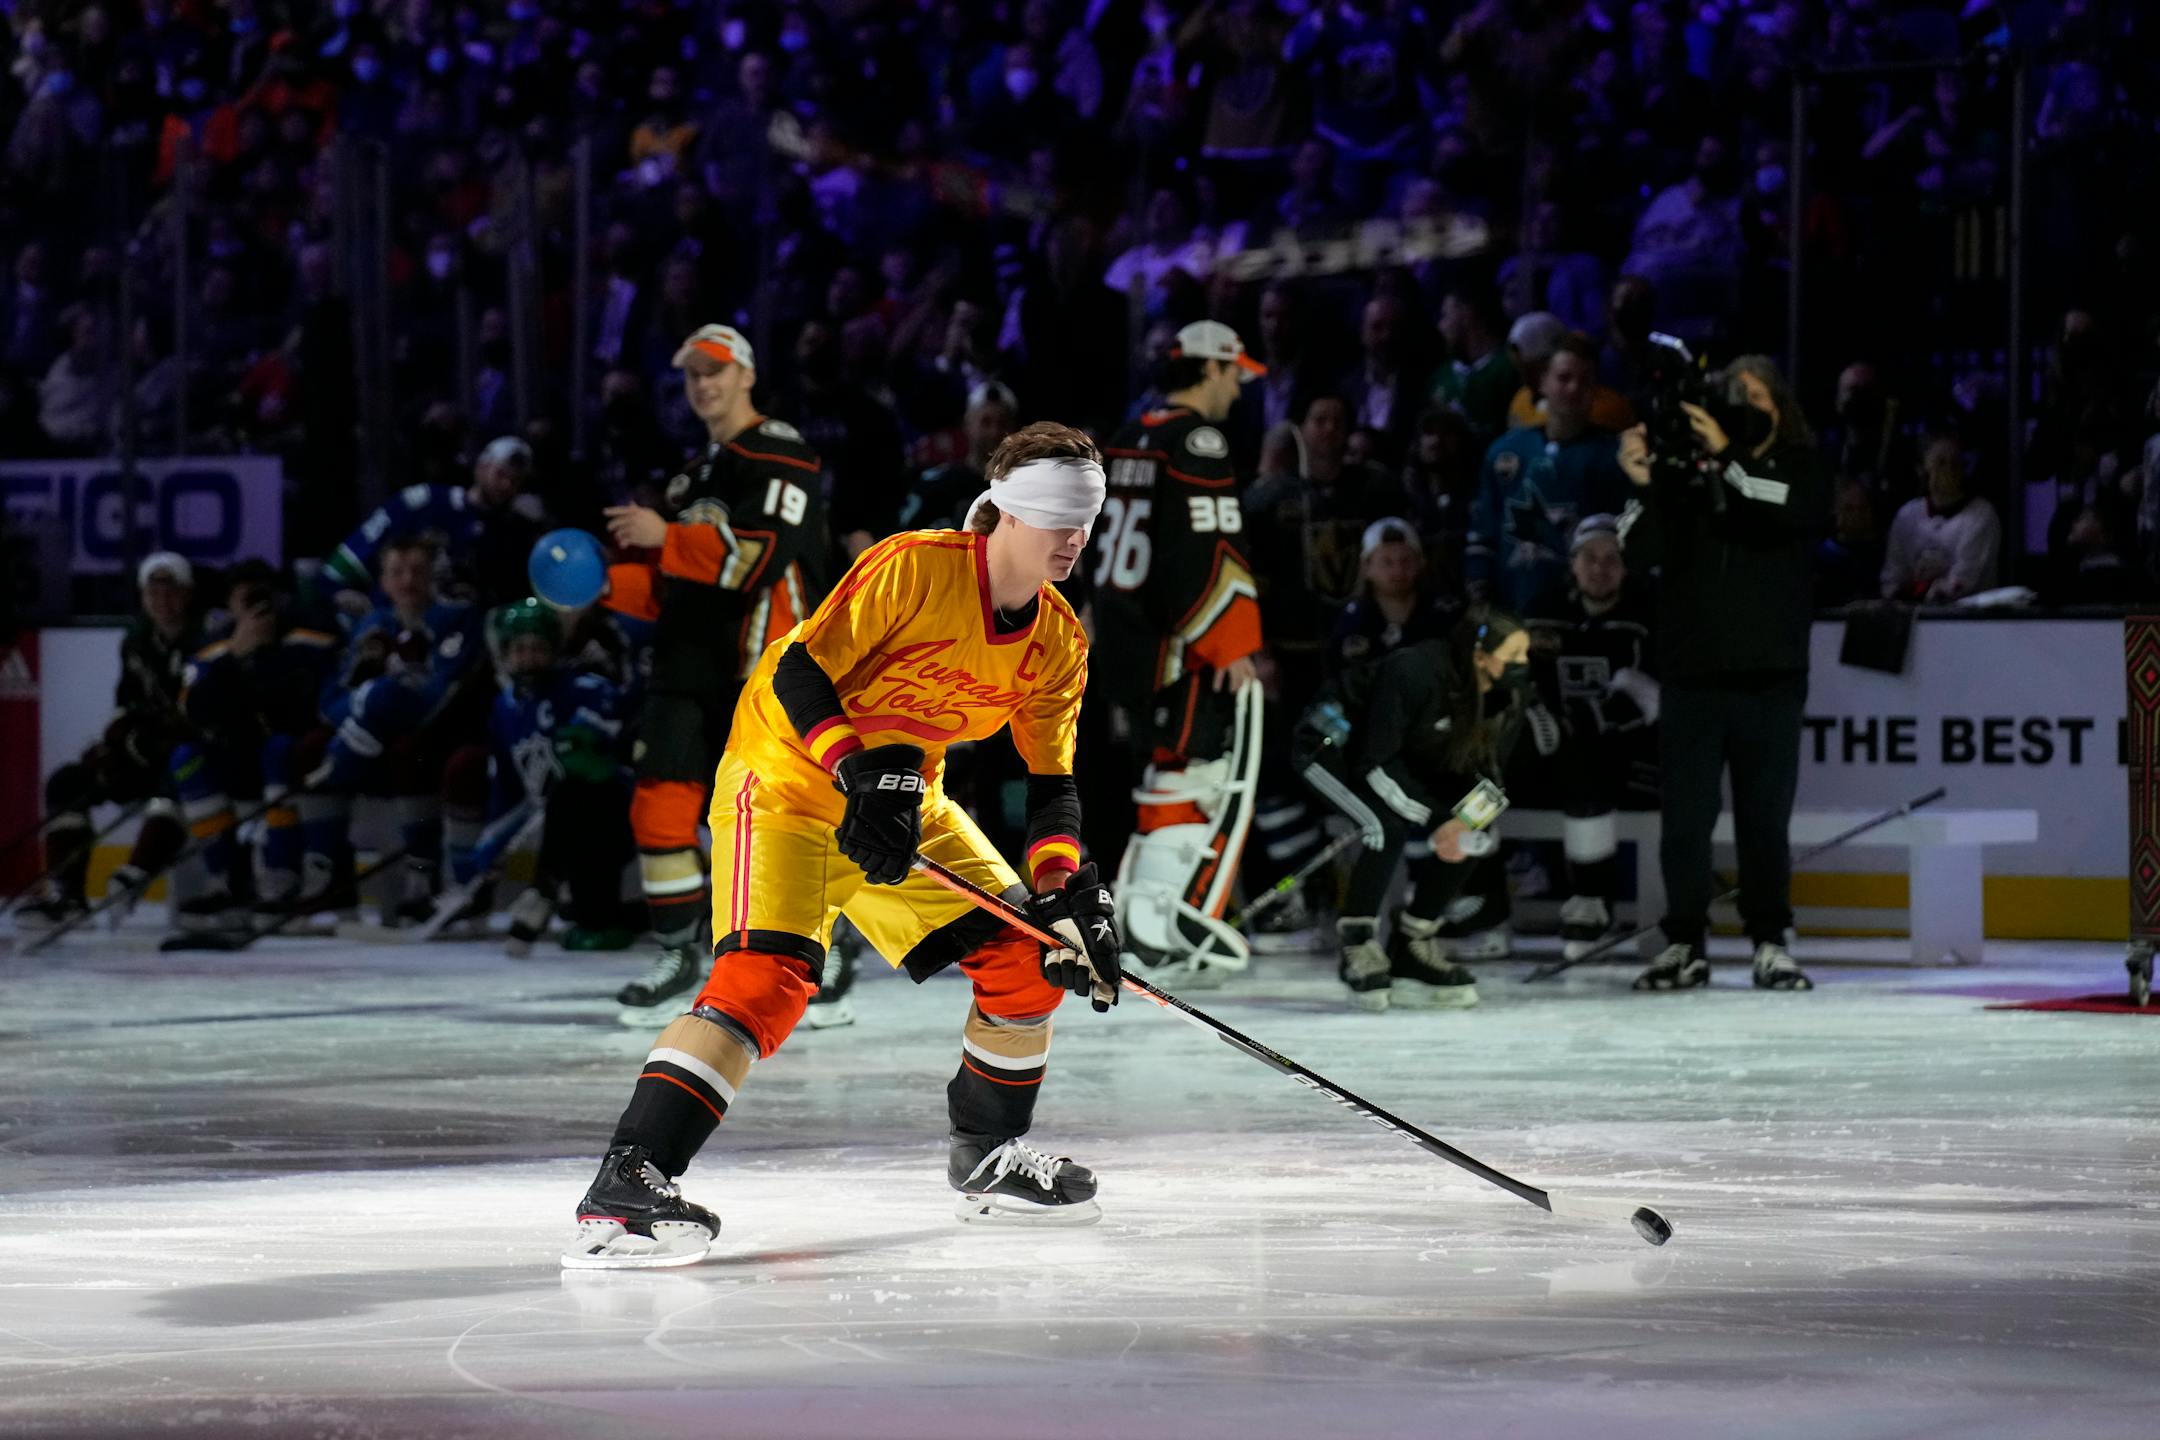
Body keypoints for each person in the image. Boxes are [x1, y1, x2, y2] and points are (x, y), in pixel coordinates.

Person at [565, 423, 1123, 1268]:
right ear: (1005, 510)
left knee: (1027, 957)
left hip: (903, 799)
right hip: (787, 776)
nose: (1075, 534)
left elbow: (1053, 784)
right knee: (765, 981)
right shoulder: (916, 566)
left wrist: (1062, 894)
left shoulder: (1057, 641)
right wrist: (855, 771)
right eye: (1057, 513)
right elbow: (799, 672)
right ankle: (625, 1187)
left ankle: (989, 1157)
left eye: (1087, 514)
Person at [599, 325, 827, 1020]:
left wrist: (664, 537)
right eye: (692, 374)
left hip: (763, 666)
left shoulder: (782, 452)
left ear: (746, 376)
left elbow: (755, 557)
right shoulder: (691, 476)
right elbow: (674, 586)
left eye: (714, 372)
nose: (702, 385)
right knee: (658, 805)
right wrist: (595, 587)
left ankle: (824, 955)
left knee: (781, 818)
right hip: (686, 661)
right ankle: (676, 952)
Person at [1617, 354, 1828, 992]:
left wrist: (1729, 455)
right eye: (1734, 393)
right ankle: (1686, 941)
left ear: (1779, 405)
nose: (1744, 402)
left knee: (1765, 818)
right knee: (1685, 819)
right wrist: (1643, 482)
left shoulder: (1799, 464)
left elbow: (1787, 509)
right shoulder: (1680, 476)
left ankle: (1770, 940)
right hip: (1693, 674)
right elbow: (1637, 549)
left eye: (1756, 393)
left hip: (1770, 674)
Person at [1093, 321, 1266, 981]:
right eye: (1234, 374)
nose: (1239, 389)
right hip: (1176, 643)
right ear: (1210, 368)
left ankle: (1143, 919)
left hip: (1123, 637)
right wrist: (1231, 641)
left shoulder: (1130, 433)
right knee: (1192, 772)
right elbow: (1203, 550)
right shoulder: (1197, 439)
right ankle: (1158, 927)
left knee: (1162, 770)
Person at [1298, 612, 1535, 1011]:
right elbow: (1373, 761)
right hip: (1334, 746)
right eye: (1514, 654)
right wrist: (1438, 819)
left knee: (1473, 832)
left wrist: (1462, 823)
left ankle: (1413, 943)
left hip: (1413, 755)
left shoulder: (1511, 693)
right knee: (1383, 827)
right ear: (1481, 656)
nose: (1524, 663)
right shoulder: (1415, 671)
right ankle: (1357, 944)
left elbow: (1494, 778)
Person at [308, 533, 489, 919]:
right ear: (384, 580)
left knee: (413, 753)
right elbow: (330, 703)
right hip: (378, 743)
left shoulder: (456, 619)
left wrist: (376, 706)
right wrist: (370, 709)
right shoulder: (373, 625)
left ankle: (423, 876)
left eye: (417, 571)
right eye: (397, 572)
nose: (407, 581)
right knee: (305, 750)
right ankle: (324, 876)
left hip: (447, 738)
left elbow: (441, 699)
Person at [18, 552, 201, 926]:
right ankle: (68, 894)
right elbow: (126, 705)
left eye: (172, 592)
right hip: (147, 754)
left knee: (180, 773)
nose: (163, 602)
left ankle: (135, 874)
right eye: (154, 593)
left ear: (187, 594)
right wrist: (115, 745)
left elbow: (202, 714)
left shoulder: (207, 640)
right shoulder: (136, 642)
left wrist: (152, 738)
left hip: (190, 757)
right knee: (69, 781)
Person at [456, 599, 639, 953]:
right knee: (566, 803)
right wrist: (490, 845)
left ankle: (548, 891)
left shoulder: (585, 689)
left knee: (577, 795)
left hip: (618, 816)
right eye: (520, 648)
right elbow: (507, 787)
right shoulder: (505, 707)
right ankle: (582, 905)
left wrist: (585, 744)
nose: (529, 657)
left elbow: (598, 767)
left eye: (538, 648)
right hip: (558, 823)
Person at [1525, 515, 1659, 960]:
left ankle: (1590, 899)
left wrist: (1576, 724)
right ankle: (1473, 899)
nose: (1600, 568)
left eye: (1611, 559)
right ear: (1573, 563)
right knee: (1480, 775)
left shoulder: (1647, 615)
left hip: (1631, 762)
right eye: (1590, 557)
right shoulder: (1543, 610)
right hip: (1551, 754)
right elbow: (1515, 682)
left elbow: (1649, 698)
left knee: (1585, 755)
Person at [1467, 335, 1635, 614]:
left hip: (1583, 614)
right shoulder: (1505, 451)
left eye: (1585, 380)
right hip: (1511, 606)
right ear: (1542, 381)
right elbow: (1485, 528)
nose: (1574, 388)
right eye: (1564, 377)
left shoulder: (1614, 458)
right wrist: (1479, 588)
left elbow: (1625, 539)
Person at [321, 436, 542, 613]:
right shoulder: (424, 502)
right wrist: (337, 590)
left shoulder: (515, 532)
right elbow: (350, 559)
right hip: (394, 623)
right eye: (501, 474)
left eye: (515, 480)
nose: (506, 485)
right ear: (482, 467)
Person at [1325, 517, 1458, 683]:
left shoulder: (1446, 615)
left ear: (1421, 562)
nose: (1398, 571)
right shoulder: (1350, 624)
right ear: (1366, 566)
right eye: (1386, 562)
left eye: (1406, 560)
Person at [1881, 434, 2001, 602]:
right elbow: (1892, 576)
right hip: (1910, 615)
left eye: (1955, 462)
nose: (1949, 469)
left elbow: (1964, 579)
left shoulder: (1981, 514)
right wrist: (1903, 594)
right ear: (1924, 468)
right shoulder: (1907, 515)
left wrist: (1923, 589)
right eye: (1941, 462)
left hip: (1965, 620)